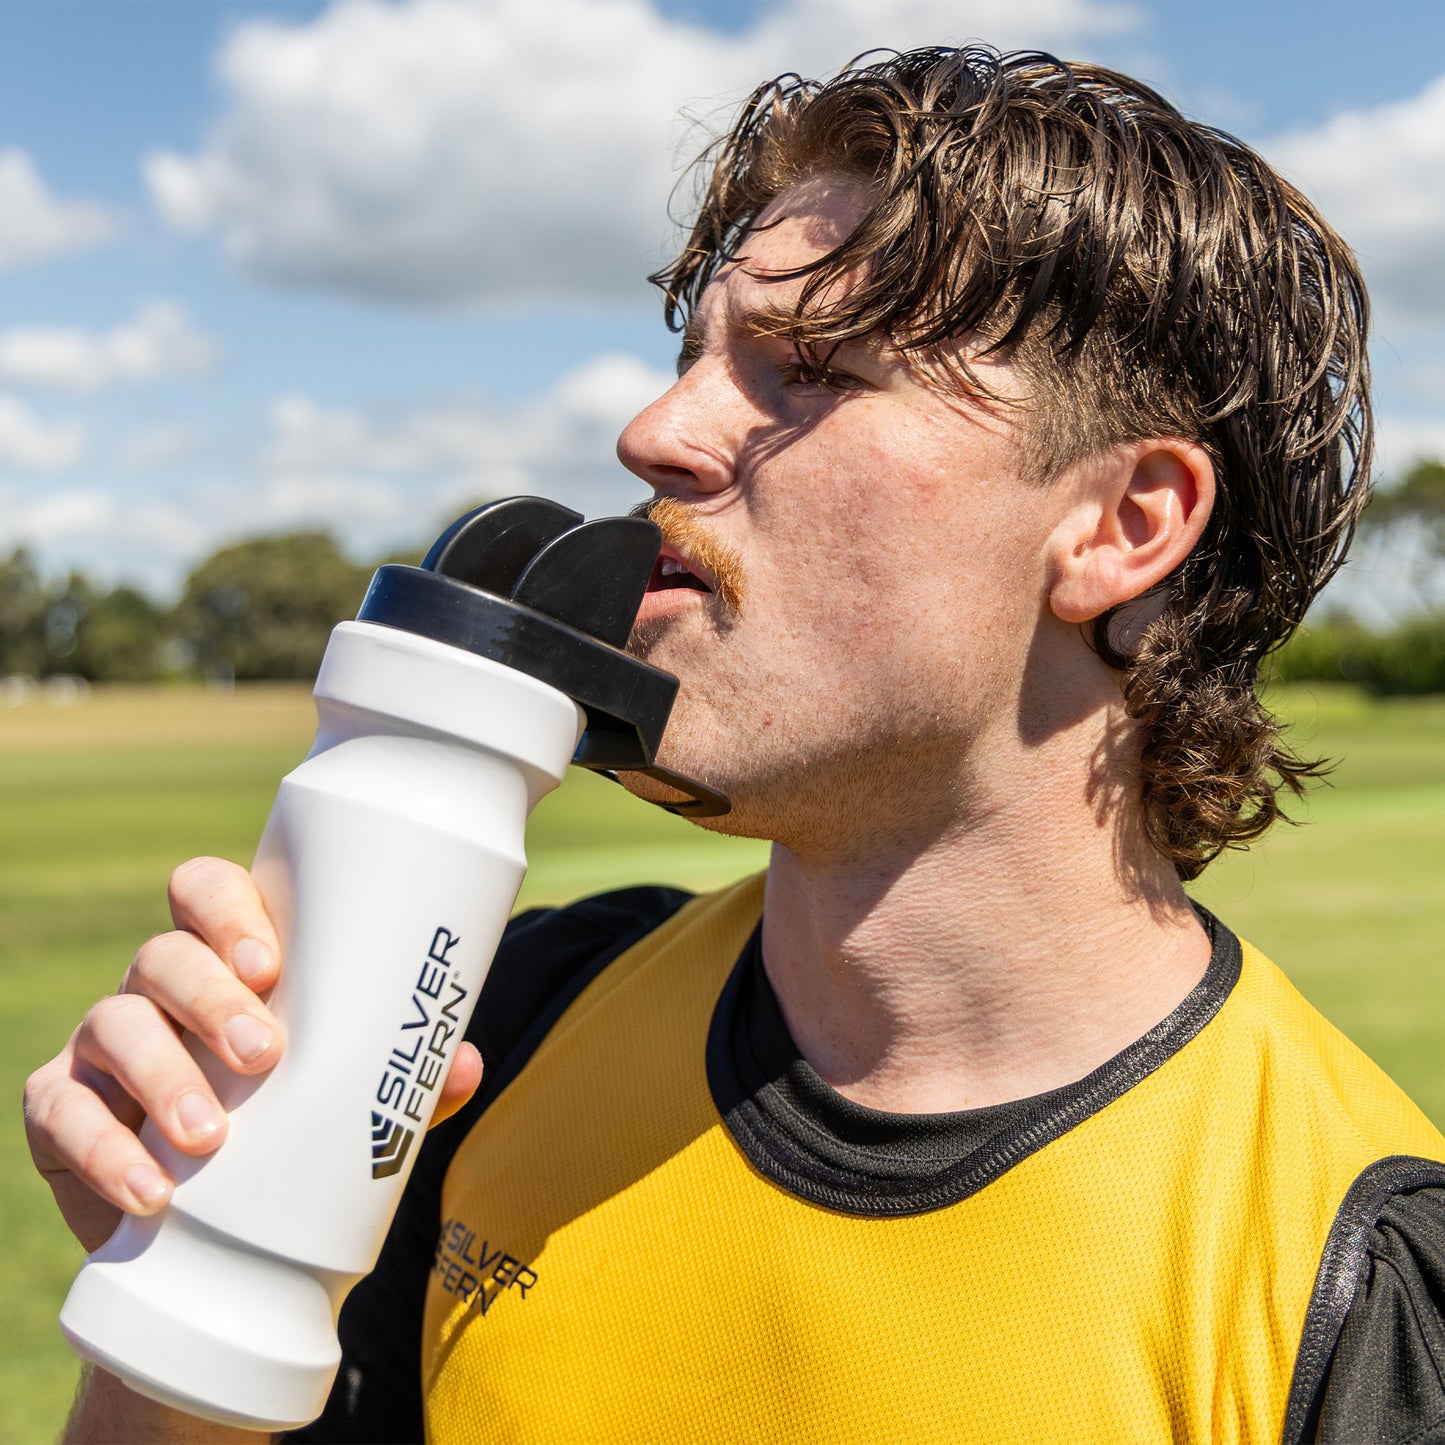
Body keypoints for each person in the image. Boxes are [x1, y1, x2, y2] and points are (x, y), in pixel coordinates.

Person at [25, 46, 1445, 1444]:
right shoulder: (496, 1034)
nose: (655, 433)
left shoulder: (1348, 1274)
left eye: (810, 368)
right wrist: (184, 1319)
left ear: (1123, 524)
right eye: (694, 355)